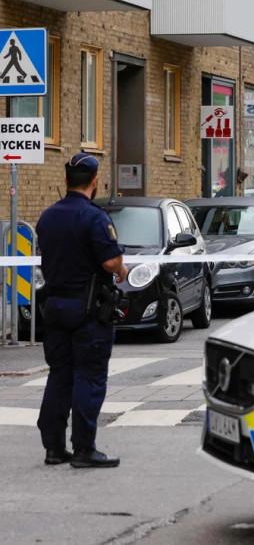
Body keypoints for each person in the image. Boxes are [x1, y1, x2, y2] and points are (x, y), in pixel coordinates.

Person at [36, 153, 128, 468]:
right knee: (89, 377)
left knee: (59, 376)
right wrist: (121, 267)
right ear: (94, 181)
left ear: (65, 180)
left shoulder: (48, 216)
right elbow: (110, 261)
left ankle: (53, 447)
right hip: (88, 310)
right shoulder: (94, 217)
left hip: (54, 307)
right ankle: (84, 450)